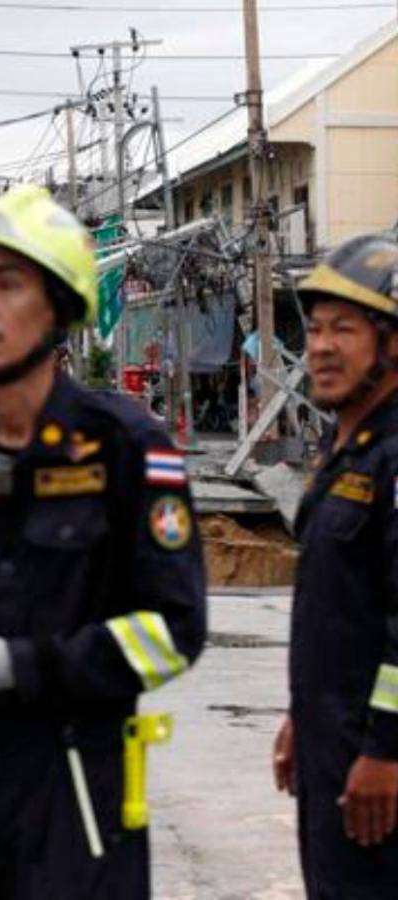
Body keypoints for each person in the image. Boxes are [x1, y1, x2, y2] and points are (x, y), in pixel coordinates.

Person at [0, 185, 207, 899]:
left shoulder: (124, 446)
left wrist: (16, 667)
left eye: (7, 284)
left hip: (77, 792)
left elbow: (172, 630)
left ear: (58, 307)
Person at [273, 234, 398, 896]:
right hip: (334, 745)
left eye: (344, 329)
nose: (320, 346)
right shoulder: (347, 448)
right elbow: (345, 610)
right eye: (315, 328)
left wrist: (387, 751)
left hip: (378, 767)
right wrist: (304, 714)